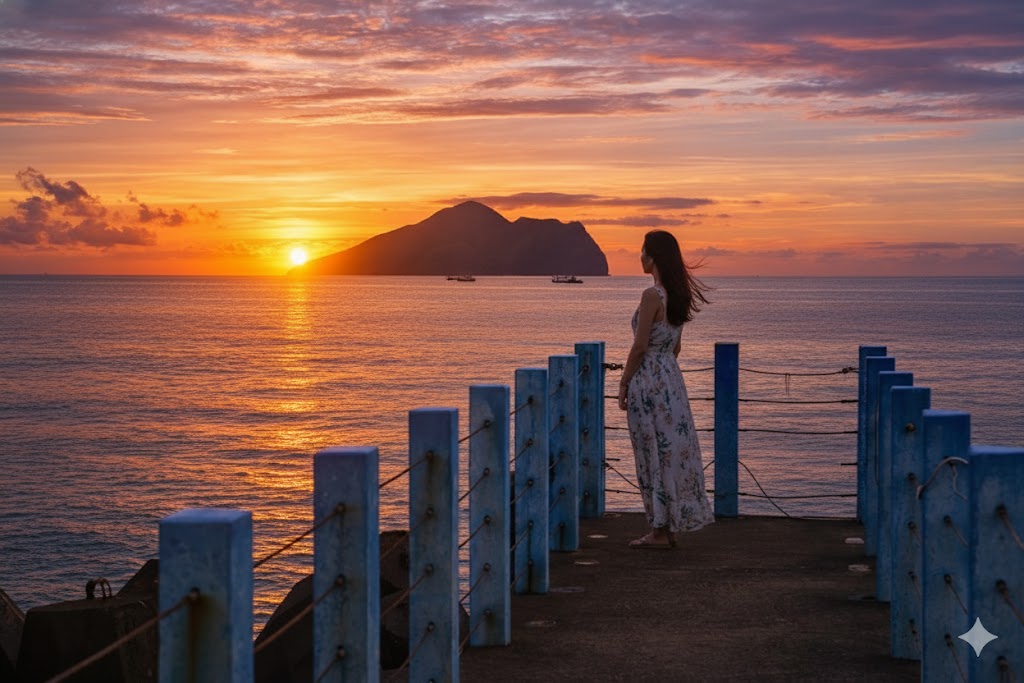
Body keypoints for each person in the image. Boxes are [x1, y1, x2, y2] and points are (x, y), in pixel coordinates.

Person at [617, 230, 715, 548]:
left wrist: (624, 382)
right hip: (672, 382)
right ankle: (667, 525)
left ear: (653, 257)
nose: (640, 256)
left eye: (643, 251)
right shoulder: (676, 295)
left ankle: (659, 530)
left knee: (651, 452)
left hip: (648, 383)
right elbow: (675, 348)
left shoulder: (651, 295)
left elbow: (639, 346)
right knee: (669, 451)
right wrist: (663, 372)